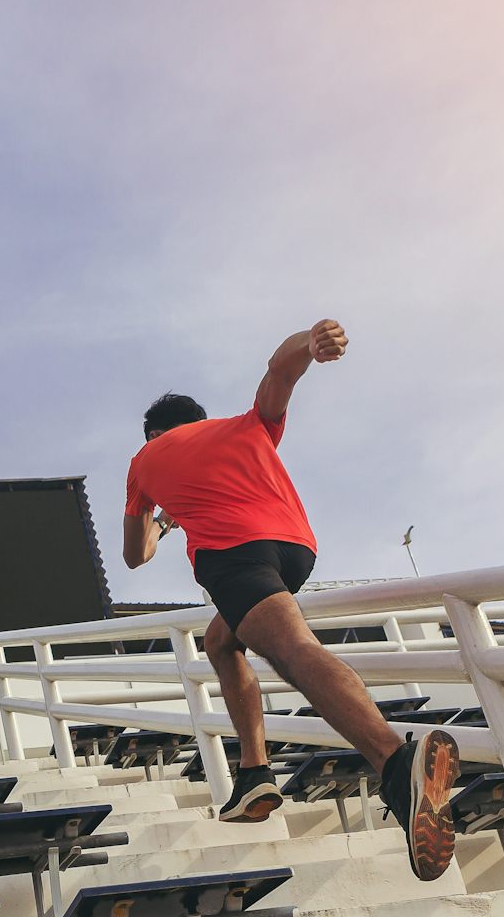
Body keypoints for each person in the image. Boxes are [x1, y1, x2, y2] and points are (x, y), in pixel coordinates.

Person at [120, 320, 461, 881]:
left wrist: (162, 516)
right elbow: (279, 372)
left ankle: (398, 765)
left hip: (234, 557)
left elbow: (137, 555)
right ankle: (254, 774)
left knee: (293, 650)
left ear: (153, 434)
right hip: (294, 549)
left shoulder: (144, 463)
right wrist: (313, 337)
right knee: (220, 640)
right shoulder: (243, 427)